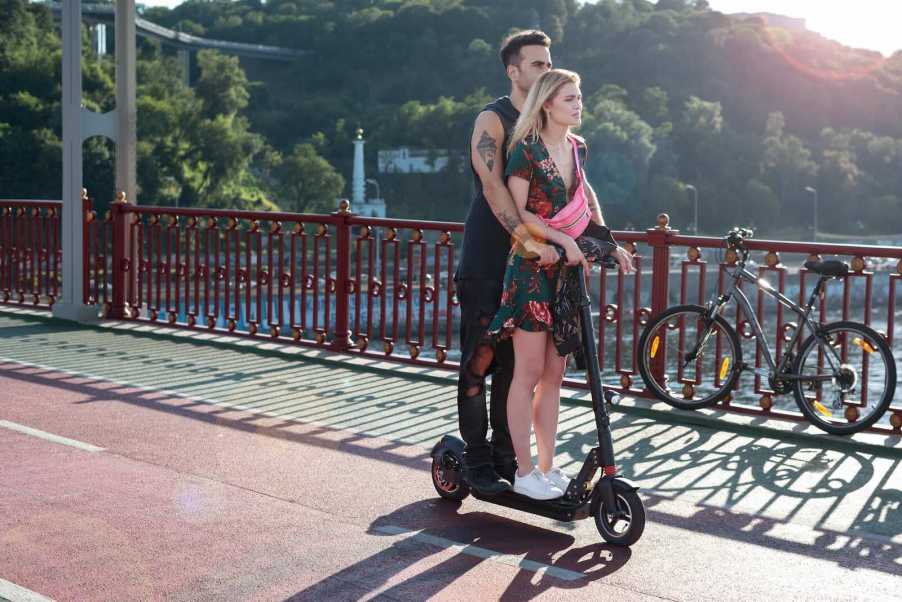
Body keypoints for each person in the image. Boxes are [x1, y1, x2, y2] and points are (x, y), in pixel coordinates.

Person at [487, 69, 634, 500]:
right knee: (527, 373)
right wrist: (563, 240)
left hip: (566, 273)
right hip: (533, 268)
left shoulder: (577, 148)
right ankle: (524, 472)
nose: (578, 104)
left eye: (580, 97)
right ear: (547, 104)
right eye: (569, 98)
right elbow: (521, 214)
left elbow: (584, 202)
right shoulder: (526, 151)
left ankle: (547, 470)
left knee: (555, 373)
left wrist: (610, 246)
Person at [455, 30, 559, 496]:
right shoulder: (492, 120)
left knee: (517, 369)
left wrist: (597, 237)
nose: (545, 69)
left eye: (548, 62)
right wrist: (523, 237)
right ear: (513, 71)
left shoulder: (546, 123)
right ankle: (476, 461)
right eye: (536, 64)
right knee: (479, 362)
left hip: (529, 268)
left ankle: (506, 456)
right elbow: (494, 186)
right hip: (488, 258)